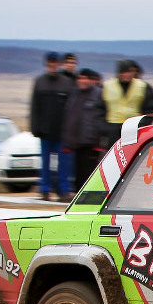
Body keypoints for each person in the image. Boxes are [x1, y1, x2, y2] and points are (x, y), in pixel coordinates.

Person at [31, 51, 74, 200]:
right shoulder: (39, 82)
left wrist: (70, 129)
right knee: (45, 163)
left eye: (55, 62)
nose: (53, 65)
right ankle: (45, 190)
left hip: (62, 132)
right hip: (45, 131)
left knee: (64, 164)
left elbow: (71, 108)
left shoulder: (67, 83)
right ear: (46, 64)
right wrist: (35, 128)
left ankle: (63, 191)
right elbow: (35, 107)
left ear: (59, 64)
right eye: (50, 62)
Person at [63, 68, 106, 190]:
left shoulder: (98, 94)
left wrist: (99, 141)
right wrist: (67, 140)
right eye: (80, 78)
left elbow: (101, 117)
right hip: (76, 142)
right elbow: (69, 117)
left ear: (90, 80)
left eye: (86, 78)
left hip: (91, 143)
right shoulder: (74, 94)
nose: (83, 81)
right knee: (78, 175)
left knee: (89, 174)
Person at [102, 59, 147, 146]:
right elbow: (100, 108)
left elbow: (149, 108)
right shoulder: (107, 86)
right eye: (123, 72)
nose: (126, 75)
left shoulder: (142, 86)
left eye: (128, 72)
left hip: (134, 128)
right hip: (113, 128)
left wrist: (143, 125)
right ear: (119, 73)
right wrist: (105, 128)